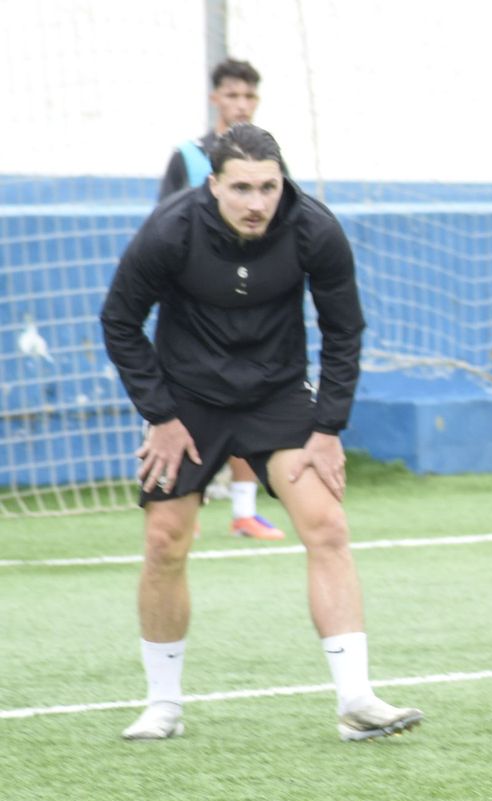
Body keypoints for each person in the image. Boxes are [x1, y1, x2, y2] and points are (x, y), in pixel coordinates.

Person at [102, 124, 423, 743]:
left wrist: (327, 427)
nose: (257, 202)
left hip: (277, 395)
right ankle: (163, 704)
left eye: (269, 188)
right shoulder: (171, 230)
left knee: (327, 525)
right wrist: (160, 415)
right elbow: (119, 320)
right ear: (213, 186)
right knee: (165, 540)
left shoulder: (315, 229)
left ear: (283, 184)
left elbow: (344, 330)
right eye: (242, 188)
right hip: (188, 400)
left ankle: (356, 702)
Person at [160, 57, 285, 542]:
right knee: (192, 405)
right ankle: (182, 502)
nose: (241, 104)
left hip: (249, 308)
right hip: (193, 313)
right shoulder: (188, 157)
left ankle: (244, 511)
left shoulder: (267, 161)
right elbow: (163, 227)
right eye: (232, 95)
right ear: (215, 98)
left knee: (248, 400)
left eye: (249, 96)